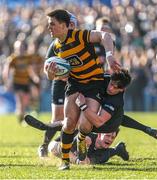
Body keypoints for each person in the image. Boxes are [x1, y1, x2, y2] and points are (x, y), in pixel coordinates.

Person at [44, 9, 120, 170]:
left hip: (94, 83)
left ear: (64, 26)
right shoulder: (57, 47)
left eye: (52, 24)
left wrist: (109, 55)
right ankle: (65, 161)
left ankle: (82, 139)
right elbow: (51, 76)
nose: (49, 28)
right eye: (48, 24)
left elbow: (105, 36)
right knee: (69, 123)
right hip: (75, 84)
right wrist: (51, 74)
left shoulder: (79, 35)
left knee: (85, 125)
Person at [75, 69, 157, 161]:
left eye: (116, 88)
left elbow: (99, 122)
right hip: (106, 119)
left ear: (122, 89)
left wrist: (83, 106)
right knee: (71, 127)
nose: (111, 89)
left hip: (106, 126)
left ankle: (114, 150)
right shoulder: (104, 79)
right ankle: (118, 149)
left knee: (92, 159)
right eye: (111, 84)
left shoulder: (116, 100)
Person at [38, 12, 78, 157]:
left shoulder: (80, 40)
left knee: (74, 119)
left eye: (73, 25)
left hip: (76, 84)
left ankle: (65, 146)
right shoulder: (55, 44)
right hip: (60, 83)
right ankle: (44, 146)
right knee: (57, 118)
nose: (72, 27)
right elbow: (46, 69)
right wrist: (54, 73)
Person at [2, 40, 39, 123]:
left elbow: (31, 69)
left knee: (27, 100)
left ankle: (22, 114)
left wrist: (34, 77)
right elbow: (6, 71)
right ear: (15, 49)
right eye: (19, 48)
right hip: (17, 83)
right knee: (20, 101)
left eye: (22, 48)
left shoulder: (28, 58)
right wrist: (7, 82)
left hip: (26, 82)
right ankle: (21, 119)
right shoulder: (13, 58)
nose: (21, 50)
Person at [48, 130, 129, 165]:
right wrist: (80, 140)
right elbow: (56, 146)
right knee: (53, 147)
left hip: (79, 154)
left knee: (80, 161)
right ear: (99, 134)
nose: (110, 139)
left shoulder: (105, 154)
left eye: (113, 137)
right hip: (60, 143)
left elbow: (85, 163)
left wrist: (84, 147)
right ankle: (118, 149)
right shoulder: (86, 133)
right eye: (107, 136)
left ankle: (118, 149)